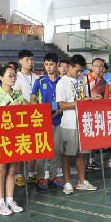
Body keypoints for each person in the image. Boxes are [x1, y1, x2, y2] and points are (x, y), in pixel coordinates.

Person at [0, 66, 26, 215]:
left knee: (12, 170)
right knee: (1, 170)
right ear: (1, 78)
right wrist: (10, 107)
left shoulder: (18, 95)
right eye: (10, 75)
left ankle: (10, 200)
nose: (13, 78)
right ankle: (0, 203)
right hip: (0, 137)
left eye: (14, 75)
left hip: (15, 135)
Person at [55, 56, 97, 195]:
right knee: (67, 155)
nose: (79, 73)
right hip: (69, 124)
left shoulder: (82, 80)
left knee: (82, 154)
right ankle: (67, 183)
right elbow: (62, 105)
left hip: (83, 121)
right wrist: (79, 103)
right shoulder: (62, 83)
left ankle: (82, 181)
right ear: (70, 67)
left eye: (81, 71)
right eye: (77, 70)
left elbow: (83, 98)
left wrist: (89, 100)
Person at [31, 52, 63, 188]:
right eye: (46, 64)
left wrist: (60, 109)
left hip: (58, 119)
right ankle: (40, 177)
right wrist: (38, 109)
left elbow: (65, 100)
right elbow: (33, 98)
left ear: (57, 65)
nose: (48, 67)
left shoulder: (62, 82)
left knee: (55, 149)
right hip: (43, 121)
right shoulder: (39, 81)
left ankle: (53, 176)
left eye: (51, 64)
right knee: (42, 149)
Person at [14, 50, 37, 186]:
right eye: (27, 59)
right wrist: (31, 106)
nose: (30, 62)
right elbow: (18, 97)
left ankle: (31, 173)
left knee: (33, 146)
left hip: (35, 117)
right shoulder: (16, 77)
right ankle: (18, 175)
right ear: (20, 61)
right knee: (21, 145)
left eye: (32, 59)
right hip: (21, 117)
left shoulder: (37, 77)